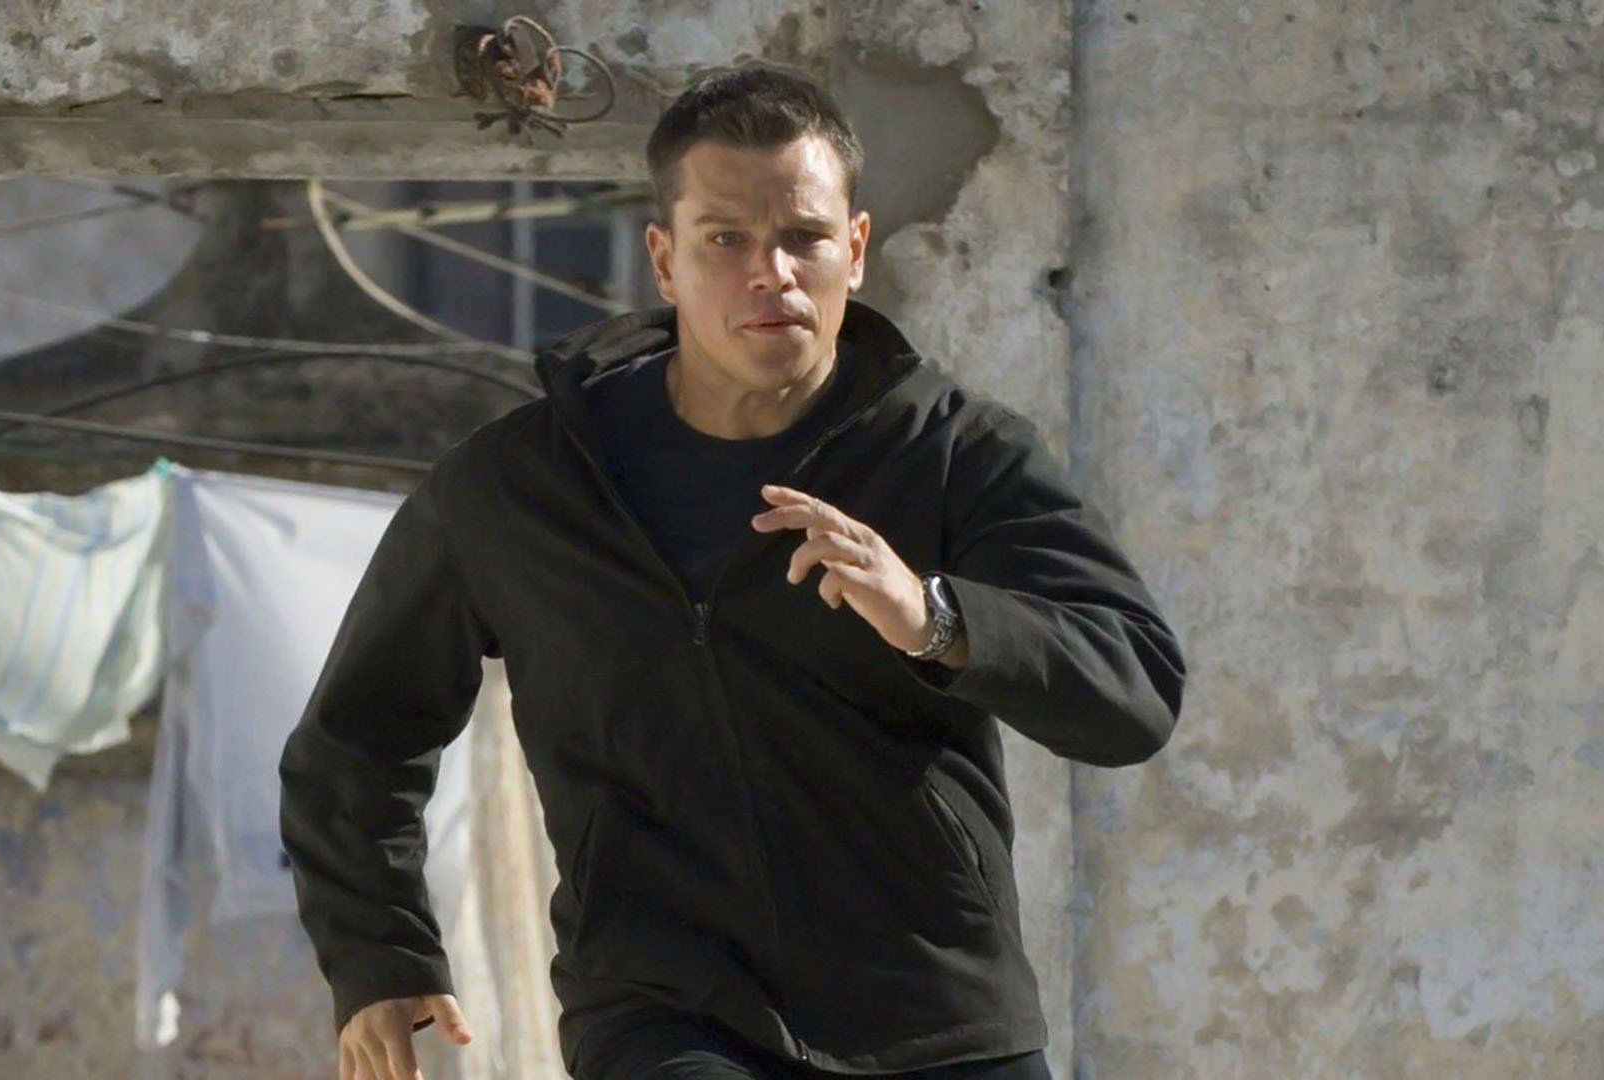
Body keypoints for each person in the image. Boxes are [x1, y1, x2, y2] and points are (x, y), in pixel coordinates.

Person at [279, 66, 1185, 1080]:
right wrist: (377, 953)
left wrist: (935, 619)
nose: (772, 273)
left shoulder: (951, 454)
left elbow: (1135, 690)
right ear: (664, 260)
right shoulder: (522, 487)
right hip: (665, 1013)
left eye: (804, 236)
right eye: (726, 240)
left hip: (936, 1012)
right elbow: (357, 734)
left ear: (855, 249)